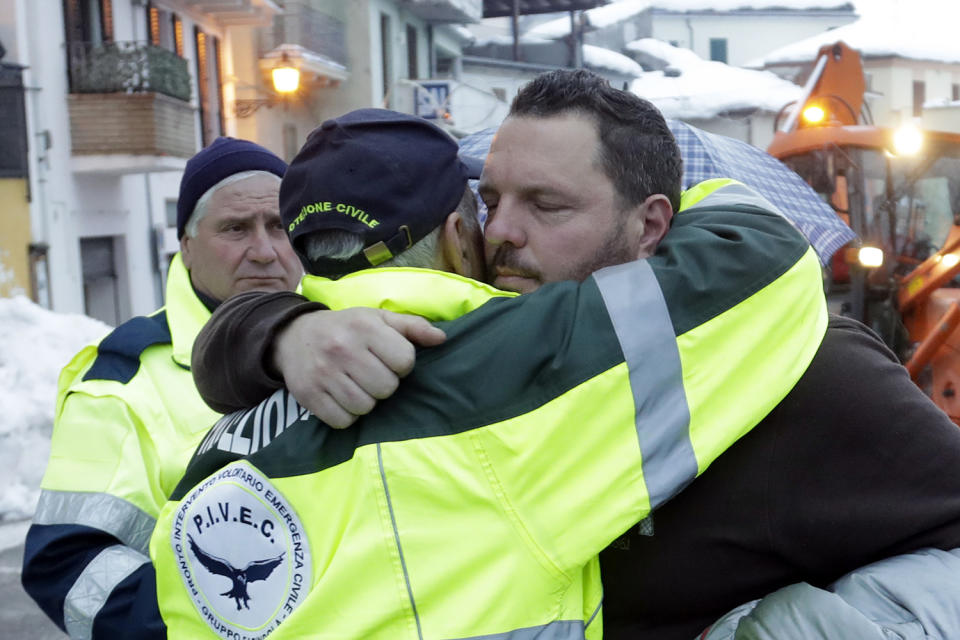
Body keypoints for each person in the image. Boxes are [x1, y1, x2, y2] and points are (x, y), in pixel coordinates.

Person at [191, 72, 960, 640]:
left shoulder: (805, 369)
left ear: (652, 225)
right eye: (490, 200)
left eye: (547, 205)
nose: (501, 233)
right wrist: (279, 330)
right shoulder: (492, 356)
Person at [21, 138, 306, 640]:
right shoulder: (121, 383)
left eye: (280, 226)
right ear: (187, 247)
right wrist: (218, 627)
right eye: (236, 228)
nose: (264, 251)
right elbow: (66, 566)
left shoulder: (355, 336)